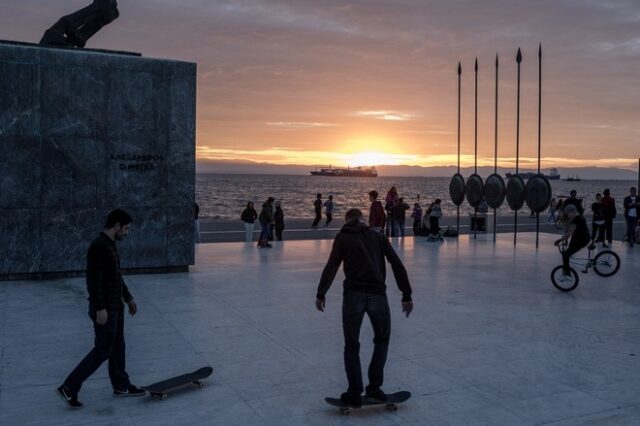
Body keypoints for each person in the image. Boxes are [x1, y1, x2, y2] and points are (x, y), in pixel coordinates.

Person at [315, 208, 413, 407]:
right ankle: (375, 389)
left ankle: (354, 392)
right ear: (362, 220)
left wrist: (321, 293)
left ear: (347, 221)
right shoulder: (378, 236)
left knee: (351, 345)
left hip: (353, 296)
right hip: (378, 295)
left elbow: (332, 266)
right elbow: (396, 263)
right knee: (382, 340)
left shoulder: (342, 238)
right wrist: (406, 294)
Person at [56, 209, 145, 409]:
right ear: (117, 226)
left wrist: (128, 298)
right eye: (126, 228)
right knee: (102, 350)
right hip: (106, 309)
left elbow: (116, 276)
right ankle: (68, 387)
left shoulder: (110, 245)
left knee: (118, 347)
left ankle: (121, 385)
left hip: (116, 306)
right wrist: (100, 308)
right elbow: (92, 281)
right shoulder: (98, 246)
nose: (127, 233)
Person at [554, 204, 591, 275]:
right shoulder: (579, 217)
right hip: (579, 238)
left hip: (581, 240)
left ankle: (567, 274)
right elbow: (568, 228)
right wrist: (562, 219)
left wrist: (559, 240)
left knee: (565, 255)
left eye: (567, 213)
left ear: (572, 212)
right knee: (569, 251)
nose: (567, 215)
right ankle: (568, 260)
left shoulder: (576, 220)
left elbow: (568, 233)